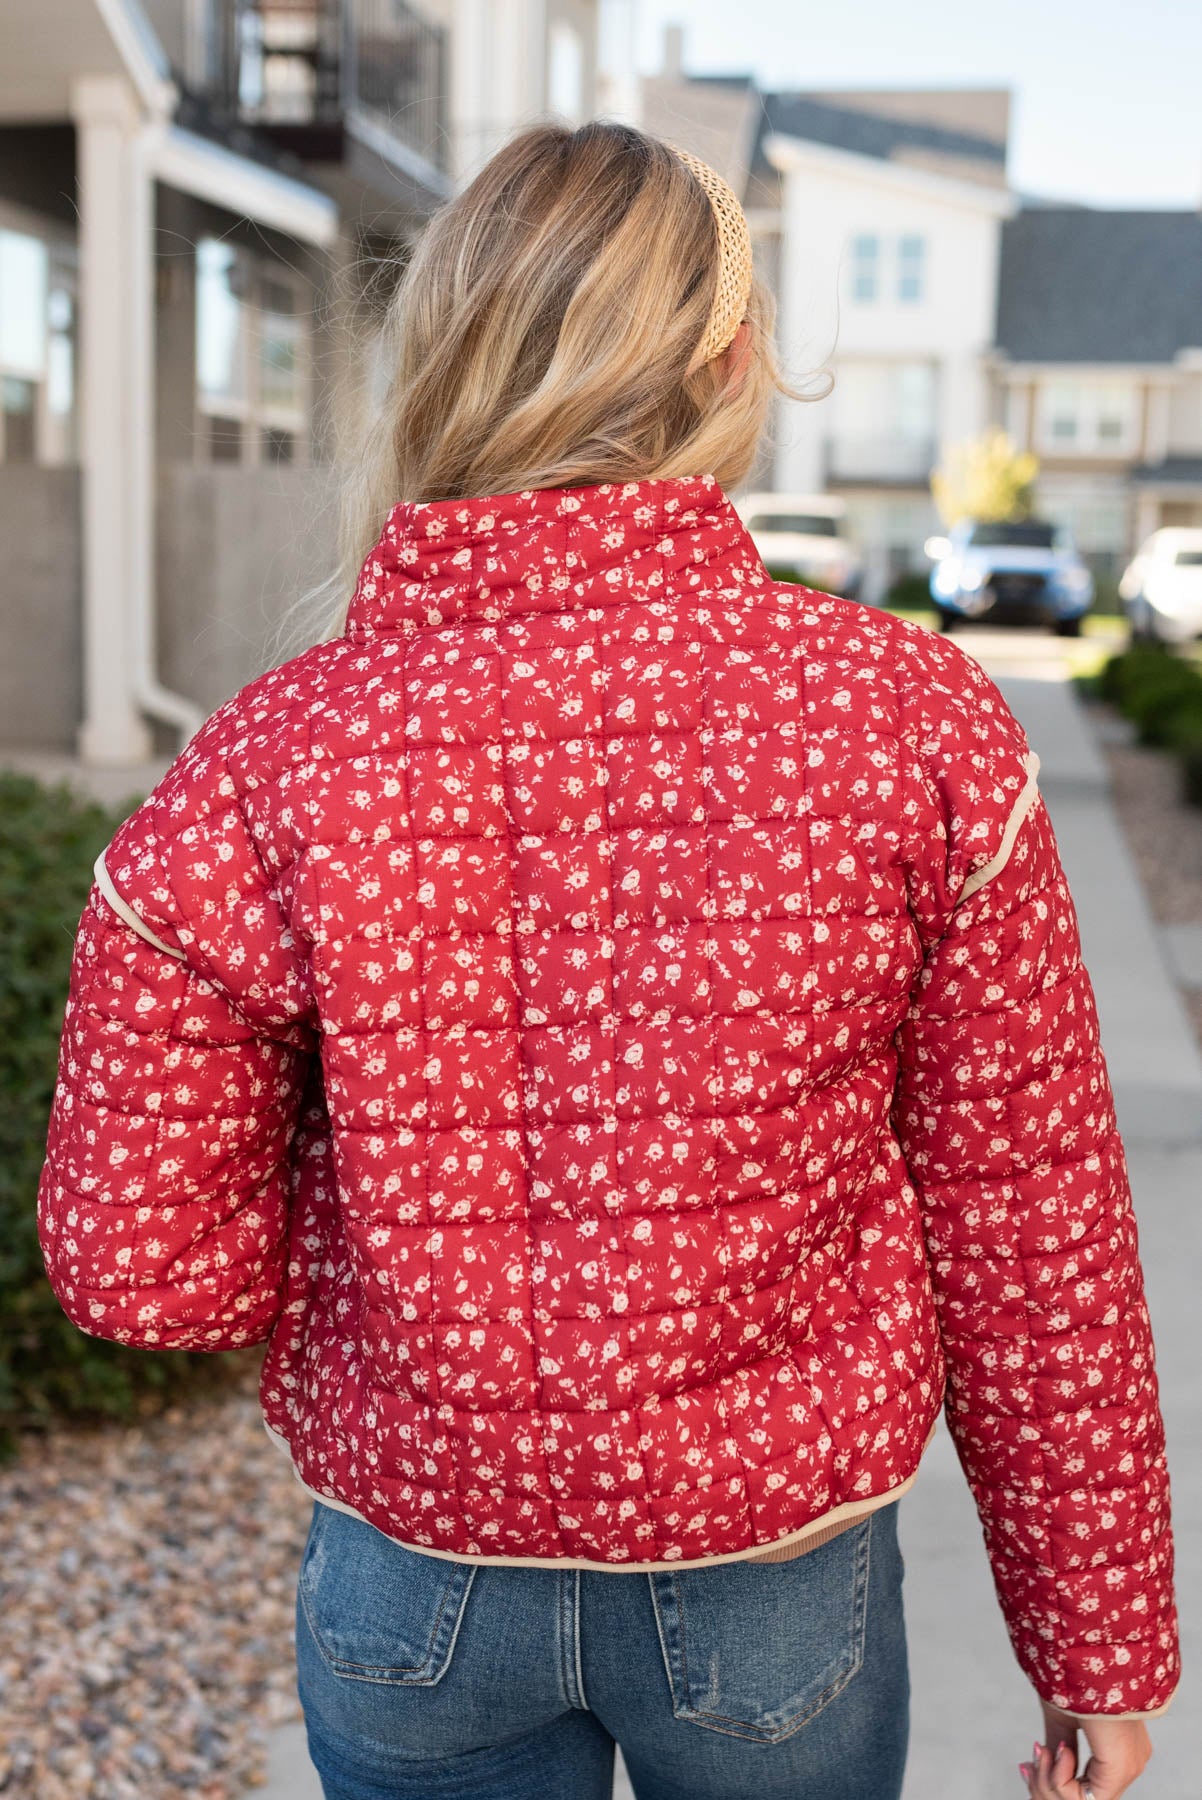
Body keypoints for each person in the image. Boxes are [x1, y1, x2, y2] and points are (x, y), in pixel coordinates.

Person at [38, 121, 1177, 1800]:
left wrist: (389, 1254)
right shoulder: (907, 723)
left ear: (440, 355)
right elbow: (1031, 1224)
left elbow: (144, 1267)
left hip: (414, 1584)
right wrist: (1094, 1650)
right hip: (770, 1582)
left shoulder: (279, 756)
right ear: (731, 358)